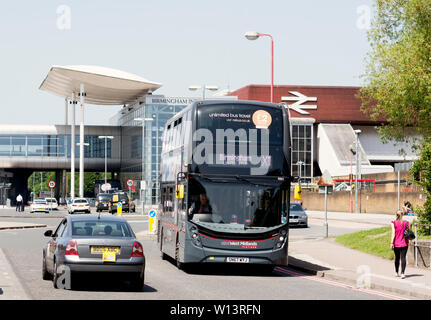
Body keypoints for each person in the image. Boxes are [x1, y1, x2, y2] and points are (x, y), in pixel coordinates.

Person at [390, 210, 410, 279]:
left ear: (396, 215)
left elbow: (393, 233)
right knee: (403, 258)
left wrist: (391, 243)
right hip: (405, 243)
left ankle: (396, 272)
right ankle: (403, 273)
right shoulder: (406, 223)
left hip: (396, 243)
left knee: (397, 258)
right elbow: (408, 233)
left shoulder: (393, 223)